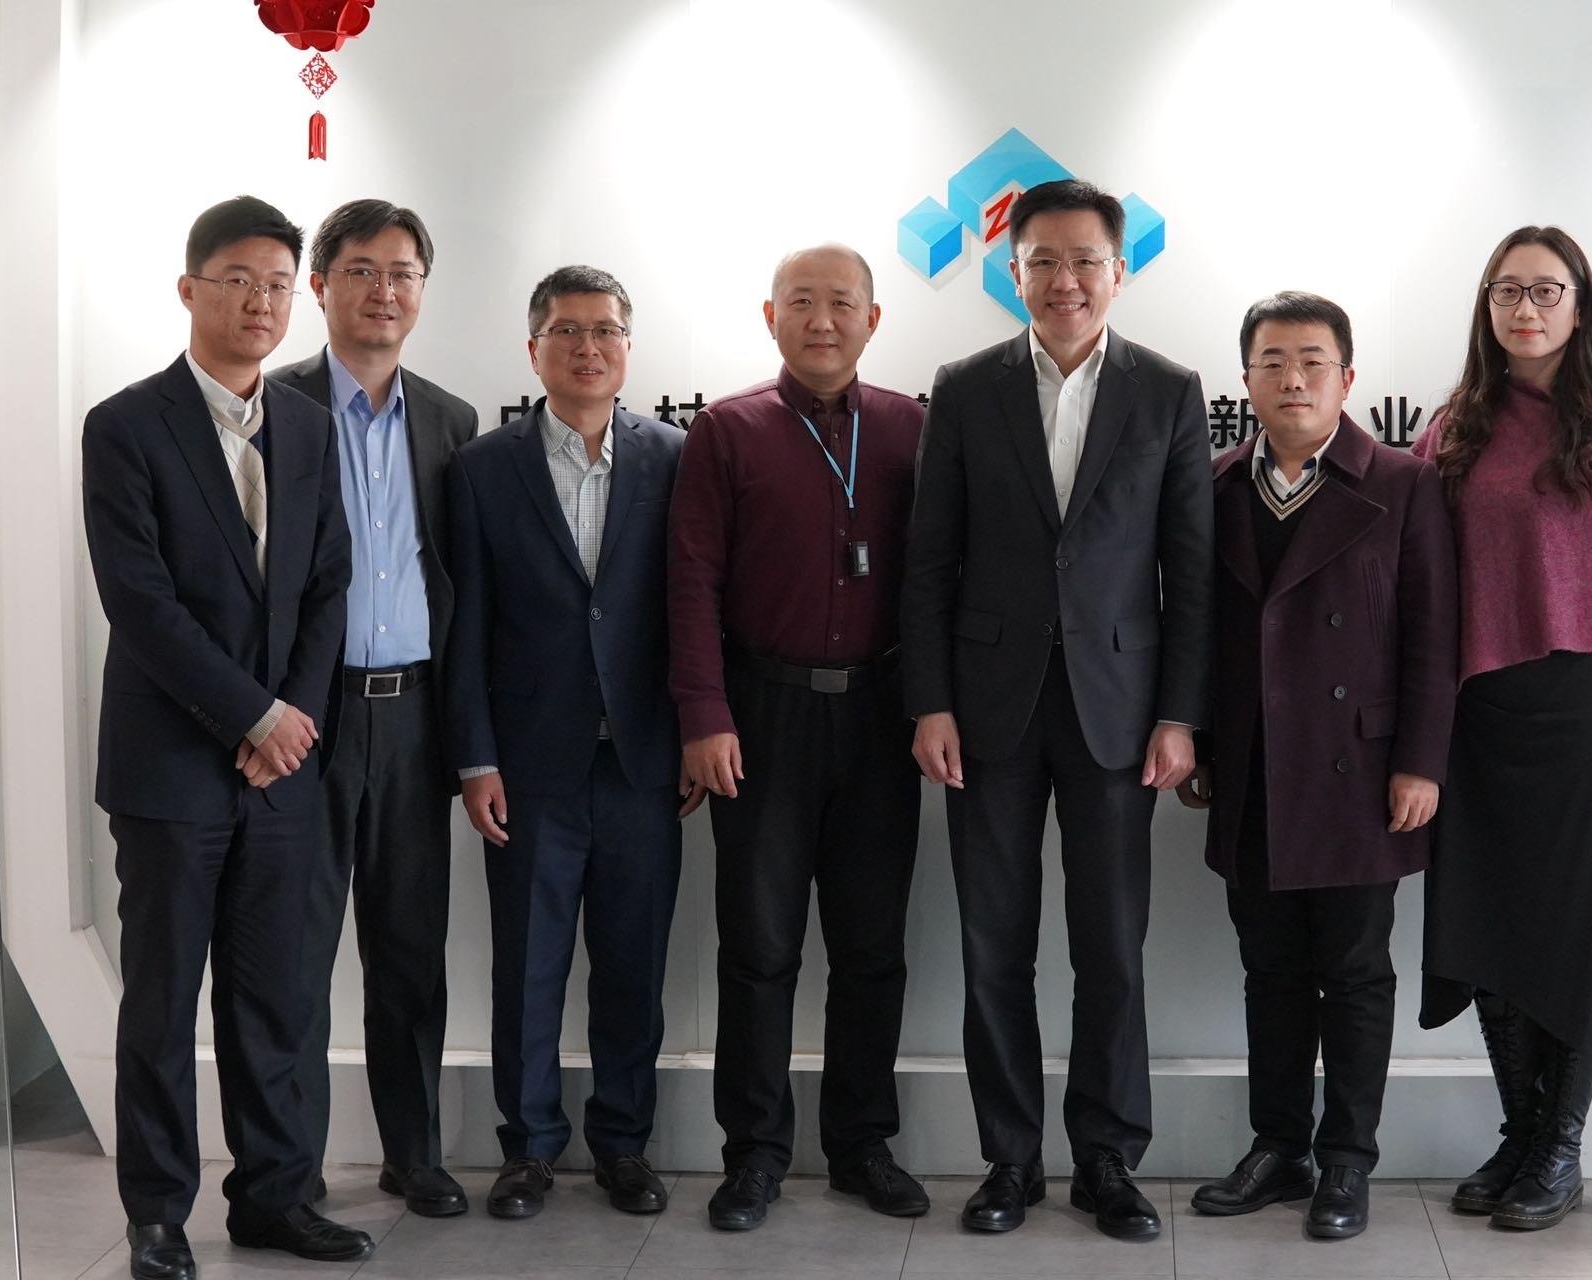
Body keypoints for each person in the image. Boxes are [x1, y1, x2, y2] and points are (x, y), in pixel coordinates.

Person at [902, 178, 1213, 1240]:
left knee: (1110, 946)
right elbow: (928, 563)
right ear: (1013, 270)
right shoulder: (963, 386)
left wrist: (1180, 712)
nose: (1065, 279)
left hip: (1119, 710)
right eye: (1043, 260)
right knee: (995, 942)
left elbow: (1191, 570)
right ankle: (1009, 1158)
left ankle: (1109, 1157)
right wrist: (930, 699)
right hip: (986, 708)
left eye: (1086, 260)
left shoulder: (1169, 391)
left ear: (1119, 271)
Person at [82, 195, 370, 1277]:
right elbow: (141, 600)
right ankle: (158, 1213)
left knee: (278, 995)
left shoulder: (308, 423)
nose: (261, 301)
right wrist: (252, 714)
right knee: (161, 999)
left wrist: (287, 721)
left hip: (283, 770)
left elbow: (327, 580)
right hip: (171, 769)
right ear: (190, 287)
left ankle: (275, 1196)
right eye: (240, 278)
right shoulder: (124, 424)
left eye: (279, 284)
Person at [1413, 226, 1592, 1230]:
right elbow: (1422, 574)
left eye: (1545, 290)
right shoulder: (1453, 425)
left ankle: (1561, 1145)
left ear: (1580, 304)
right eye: (1505, 291)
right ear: (1485, 307)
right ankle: (1519, 1130)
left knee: (1573, 930)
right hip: (1471, 705)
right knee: (1484, 920)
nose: (1524, 309)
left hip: (1570, 706)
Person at [1178, 293, 1459, 1240]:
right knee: (1270, 970)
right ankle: (1277, 1148)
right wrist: (1205, 749)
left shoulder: (1403, 482)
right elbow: (1203, 636)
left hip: (1362, 769)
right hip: (1255, 765)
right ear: (1245, 378)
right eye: (1271, 361)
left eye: (1311, 361)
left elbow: (1432, 635)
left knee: (1355, 969)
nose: (1291, 379)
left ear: (1348, 377)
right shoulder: (1216, 484)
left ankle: (1347, 1161)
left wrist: (1422, 761)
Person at [667, 245, 929, 1230]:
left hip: (879, 717)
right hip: (760, 715)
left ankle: (863, 1142)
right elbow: (689, 581)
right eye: (802, 304)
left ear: (873, 317)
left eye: (841, 304)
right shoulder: (726, 431)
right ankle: (757, 1151)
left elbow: (935, 580)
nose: (822, 320)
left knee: (871, 946)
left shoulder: (910, 427)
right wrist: (703, 714)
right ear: (769, 315)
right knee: (759, 945)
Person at [441, 266, 688, 1221]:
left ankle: (623, 1145)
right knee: (529, 966)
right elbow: (466, 625)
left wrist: (688, 736)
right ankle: (529, 1148)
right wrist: (474, 757)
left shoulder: (674, 456)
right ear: (533, 347)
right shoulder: (482, 467)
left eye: (606, 331)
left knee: (634, 964)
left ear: (629, 347)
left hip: (641, 763)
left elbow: (687, 611)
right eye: (566, 331)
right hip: (529, 767)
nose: (588, 348)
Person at [268, 198, 478, 1218]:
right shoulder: (275, 407)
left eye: (402, 271)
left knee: (408, 952)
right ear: (321, 285)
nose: (382, 289)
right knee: (295, 960)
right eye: (359, 269)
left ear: (421, 292)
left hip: (416, 715)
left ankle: (415, 1152)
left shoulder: (451, 420)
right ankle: (292, 1174)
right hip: (305, 723)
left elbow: (465, 591)